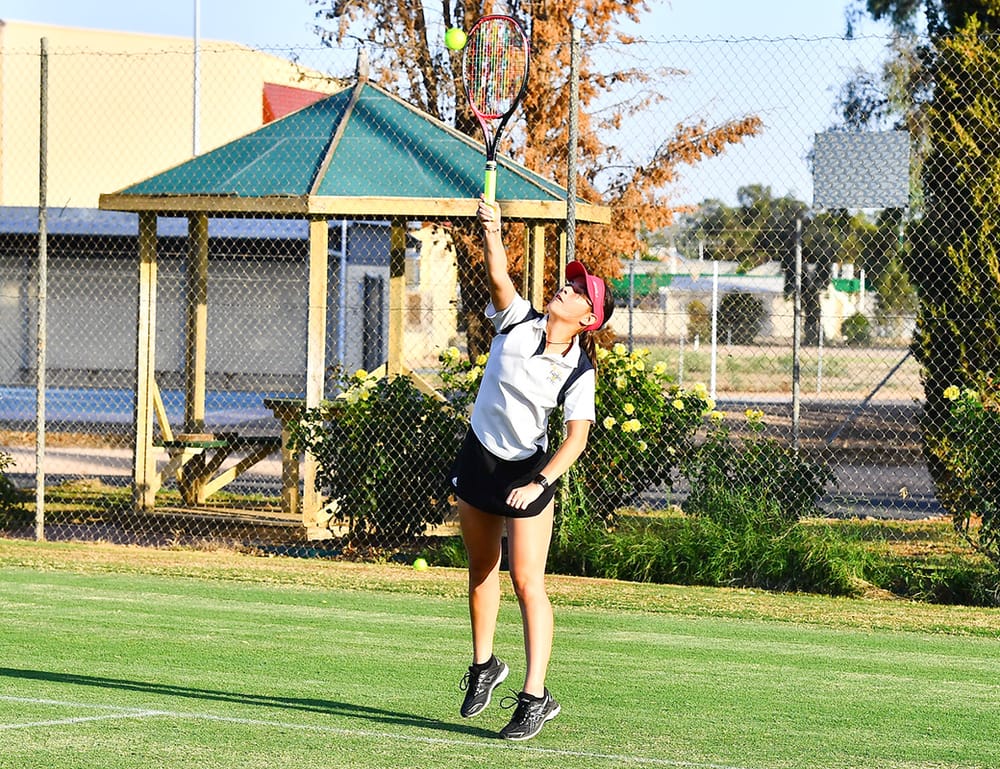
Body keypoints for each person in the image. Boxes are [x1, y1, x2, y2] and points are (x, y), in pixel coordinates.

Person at [451, 196, 614, 741]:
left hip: (528, 474)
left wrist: (540, 482)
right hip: (479, 457)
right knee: (480, 570)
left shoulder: (579, 371)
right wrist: (493, 229)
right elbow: (498, 274)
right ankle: (484, 667)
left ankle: (535, 696)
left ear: (587, 318)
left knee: (526, 581)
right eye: (567, 284)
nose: (564, 288)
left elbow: (576, 441)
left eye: (575, 291)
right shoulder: (517, 320)